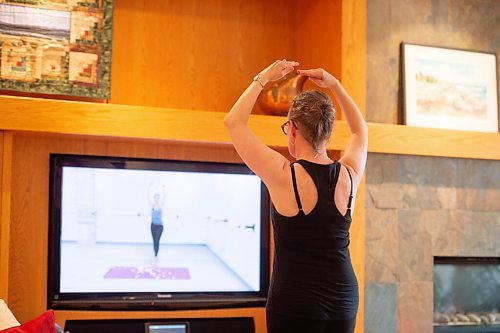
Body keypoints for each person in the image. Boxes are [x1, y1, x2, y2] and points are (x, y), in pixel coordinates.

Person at [224, 60, 368, 333]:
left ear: (292, 128)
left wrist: (263, 77)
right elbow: (360, 131)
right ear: (327, 131)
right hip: (344, 300)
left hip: (295, 303)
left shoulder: (283, 175)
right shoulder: (349, 174)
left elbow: (234, 122)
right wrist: (334, 84)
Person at [149, 184, 166, 258]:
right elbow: (147, 196)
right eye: (155, 198)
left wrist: (163, 188)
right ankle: (155, 253)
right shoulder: (152, 206)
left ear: (159, 199)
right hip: (153, 225)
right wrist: (149, 187)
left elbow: (165, 197)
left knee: (157, 240)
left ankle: (156, 254)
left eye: (158, 198)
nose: (157, 199)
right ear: (154, 198)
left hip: (160, 226)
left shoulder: (160, 205)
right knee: (154, 240)